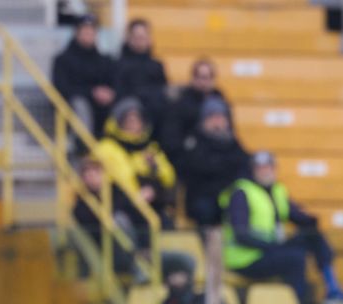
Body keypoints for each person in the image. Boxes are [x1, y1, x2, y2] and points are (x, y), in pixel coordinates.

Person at [220, 151, 343, 304]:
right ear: (252, 171)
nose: (265, 171)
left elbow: (297, 216)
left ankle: (333, 290)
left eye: (269, 167)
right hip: (245, 259)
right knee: (295, 258)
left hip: (268, 250)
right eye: (260, 168)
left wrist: (311, 220)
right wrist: (273, 246)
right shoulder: (241, 193)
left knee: (312, 237)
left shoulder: (277, 191)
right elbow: (241, 235)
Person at [95, 98, 177, 226]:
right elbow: (99, 178)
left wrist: (154, 173)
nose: (133, 124)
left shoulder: (151, 149)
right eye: (128, 120)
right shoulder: (105, 148)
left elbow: (169, 177)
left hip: (151, 205)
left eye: (137, 120)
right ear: (118, 122)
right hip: (119, 205)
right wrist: (135, 196)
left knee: (166, 221)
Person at [179, 97, 250, 226]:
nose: (217, 122)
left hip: (228, 195)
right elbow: (200, 168)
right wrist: (225, 164)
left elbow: (245, 164)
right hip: (203, 197)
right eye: (212, 117)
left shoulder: (232, 141)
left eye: (220, 117)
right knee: (206, 209)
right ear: (204, 120)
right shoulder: (194, 141)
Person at [51, 14, 116, 136]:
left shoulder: (105, 60)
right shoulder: (62, 60)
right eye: (85, 29)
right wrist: (92, 92)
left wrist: (109, 93)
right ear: (76, 32)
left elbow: (114, 82)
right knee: (80, 104)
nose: (89, 33)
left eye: (92, 30)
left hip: (101, 107)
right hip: (72, 108)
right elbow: (61, 89)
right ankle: (82, 148)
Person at [164, 58, 231, 160]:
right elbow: (173, 138)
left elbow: (229, 130)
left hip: (218, 153)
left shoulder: (220, 100)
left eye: (208, 77)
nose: (204, 82)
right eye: (200, 77)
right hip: (191, 156)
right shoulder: (181, 103)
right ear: (193, 78)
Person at [113, 19, 168, 137]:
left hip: (154, 107)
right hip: (130, 105)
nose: (139, 41)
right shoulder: (119, 65)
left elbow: (163, 90)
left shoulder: (157, 65)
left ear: (149, 39)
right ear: (129, 38)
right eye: (136, 37)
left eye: (142, 37)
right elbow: (120, 92)